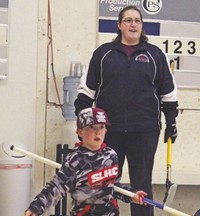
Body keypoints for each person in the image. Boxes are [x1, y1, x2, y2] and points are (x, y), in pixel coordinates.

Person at [74, 5, 178, 216]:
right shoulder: (103, 54)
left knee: (141, 185)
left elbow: (169, 93)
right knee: (104, 182)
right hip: (108, 131)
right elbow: (86, 93)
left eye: (137, 21)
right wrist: (83, 125)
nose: (133, 24)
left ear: (142, 26)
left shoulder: (155, 55)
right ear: (119, 25)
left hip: (145, 130)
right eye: (128, 20)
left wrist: (171, 123)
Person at [24, 107, 147, 216]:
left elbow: (114, 187)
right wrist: (36, 207)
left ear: (106, 131)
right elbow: (57, 187)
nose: (97, 131)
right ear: (79, 132)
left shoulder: (111, 155)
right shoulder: (75, 159)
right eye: (91, 127)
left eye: (101, 127)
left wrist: (132, 194)